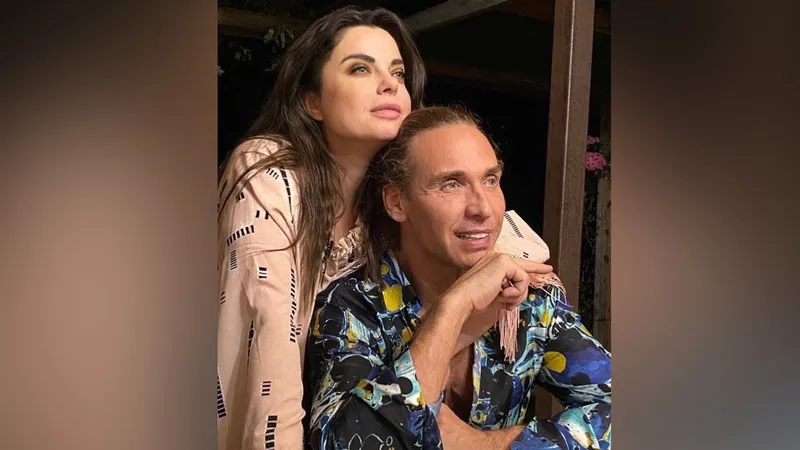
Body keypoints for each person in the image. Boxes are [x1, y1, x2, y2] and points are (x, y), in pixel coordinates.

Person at [216, 7, 554, 450]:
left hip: (353, 416)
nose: (390, 84)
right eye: (360, 68)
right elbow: (269, 351)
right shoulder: (270, 172)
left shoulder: (391, 196)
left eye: (397, 72)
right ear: (311, 101)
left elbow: (505, 239)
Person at [304, 106, 611, 450]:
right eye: (451, 184)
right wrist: (454, 307)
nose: (483, 209)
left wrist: (483, 445)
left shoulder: (530, 301)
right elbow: (349, 443)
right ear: (396, 202)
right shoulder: (352, 308)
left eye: (490, 181)